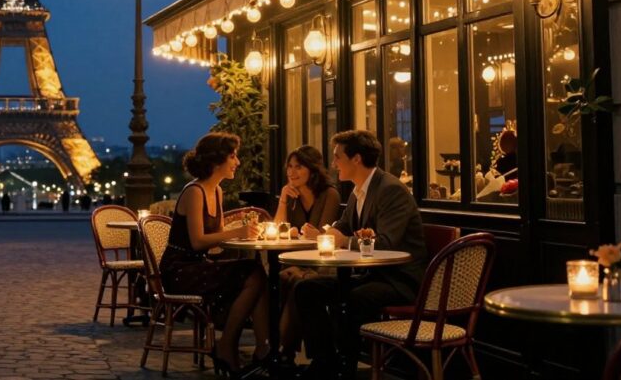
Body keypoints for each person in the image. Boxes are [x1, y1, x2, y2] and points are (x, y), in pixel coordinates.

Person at [295, 130, 427, 380]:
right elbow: (343, 226)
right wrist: (326, 233)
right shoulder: (358, 191)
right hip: (373, 275)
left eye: (337, 157)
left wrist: (343, 240)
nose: (333, 163)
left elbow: (387, 243)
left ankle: (347, 368)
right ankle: (325, 361)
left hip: (400, 280)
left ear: (356, 159)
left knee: (355, 298)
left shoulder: (390, 190)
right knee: (307, 289)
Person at [161, 132, 270, 377]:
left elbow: (217, 241)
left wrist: (244, 231)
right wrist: (238, 231)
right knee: (254, 274)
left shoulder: (216, 190)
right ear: (216, 160)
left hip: (200, 264)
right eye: (233, 156)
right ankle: (230, 347)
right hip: (181, 269)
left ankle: (262, 348)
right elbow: (198, 241)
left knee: (256, 274)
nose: (237, 162)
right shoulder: (194, 192)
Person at [271, 145, 341, 362]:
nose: (292, 172)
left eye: (298, 167)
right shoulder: (291, 196)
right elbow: (278, 230)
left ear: (312, 169)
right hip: (294, 262)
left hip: (323, 264)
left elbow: (325, 237)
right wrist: (283, 199)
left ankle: (282, 349)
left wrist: (311, 235)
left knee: (294, 280)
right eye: (289, 167)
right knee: (280, 279)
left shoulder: (329, 194)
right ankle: (286, 351)